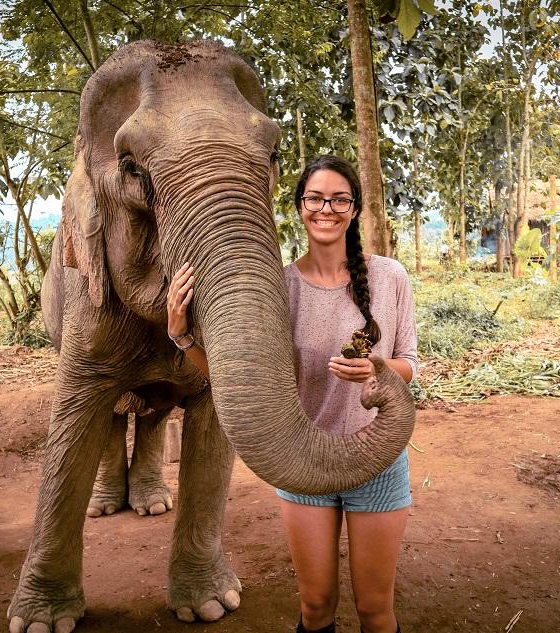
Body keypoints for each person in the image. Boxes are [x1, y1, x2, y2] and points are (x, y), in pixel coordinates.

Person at [166, 155, 417, 633]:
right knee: (316, 604)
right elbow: (239, 376)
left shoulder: (390, 277)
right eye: (316, 198)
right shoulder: (277, 287)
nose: (327, 208)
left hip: (379, 460)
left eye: (340, 199)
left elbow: (409, 364)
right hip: (303, 460)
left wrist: (377, 369)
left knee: (374, 610)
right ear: (301, 207)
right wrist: (182, 336)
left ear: (355, 208)